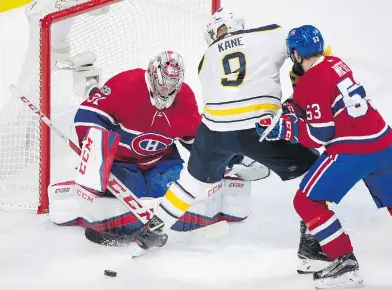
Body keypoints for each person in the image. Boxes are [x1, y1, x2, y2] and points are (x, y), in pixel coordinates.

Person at [139, 8, 326, 271]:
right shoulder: (268, 34)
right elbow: (303, 44)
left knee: (190, 182)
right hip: (260, 127)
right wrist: (301, 76)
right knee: (316, 169)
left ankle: (151, 232)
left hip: (214, 128)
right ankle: (313, 245)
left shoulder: (205, 60)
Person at [256, 25, 392, 288]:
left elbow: (319, 135)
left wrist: (285, 127)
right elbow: (329, 100)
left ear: (296, 53)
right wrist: (297, 105)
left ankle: (343, 262)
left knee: (306, 201)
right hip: (385, 145)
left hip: (353, 151)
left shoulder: (310, 81)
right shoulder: (338, 64)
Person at [48, 50, 266, 245]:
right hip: (121, 162)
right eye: (162, 84)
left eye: (172, 87)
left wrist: (227, 160)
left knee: (172, 202)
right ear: (152, 75)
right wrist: (94, 148)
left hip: (161, 160)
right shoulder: (125, 84)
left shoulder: (185, 99)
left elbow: (199, 140)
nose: (165, 91)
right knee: (131, 204)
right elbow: (86, 115)